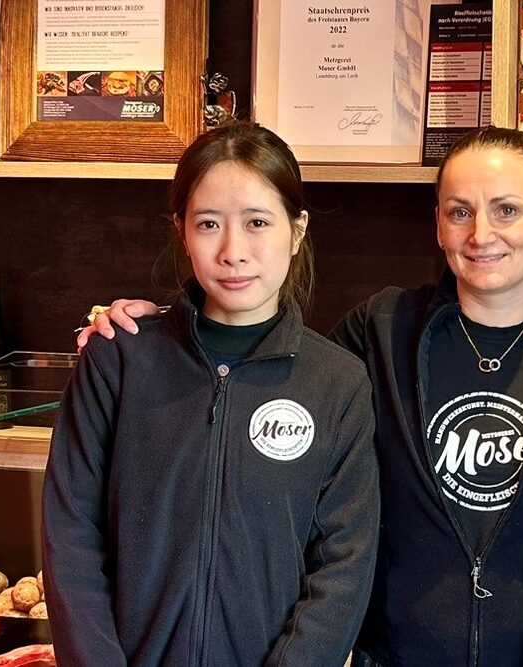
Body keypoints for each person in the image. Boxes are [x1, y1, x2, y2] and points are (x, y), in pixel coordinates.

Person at [78, 126, 523, 666]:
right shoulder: (382, 328)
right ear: (438, 225)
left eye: (507, 210)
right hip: (398, 654)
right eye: (459, 212)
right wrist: (166, 327)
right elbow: (266, 364)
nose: (481, 234)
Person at [42, 121, 379, 667]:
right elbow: (71, 536)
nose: (232, 251)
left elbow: (345, 564)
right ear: (181, 231)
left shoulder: (337, 383)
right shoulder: (119, 360)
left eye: (257, 223)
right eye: (208, 224)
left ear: (297, 231)